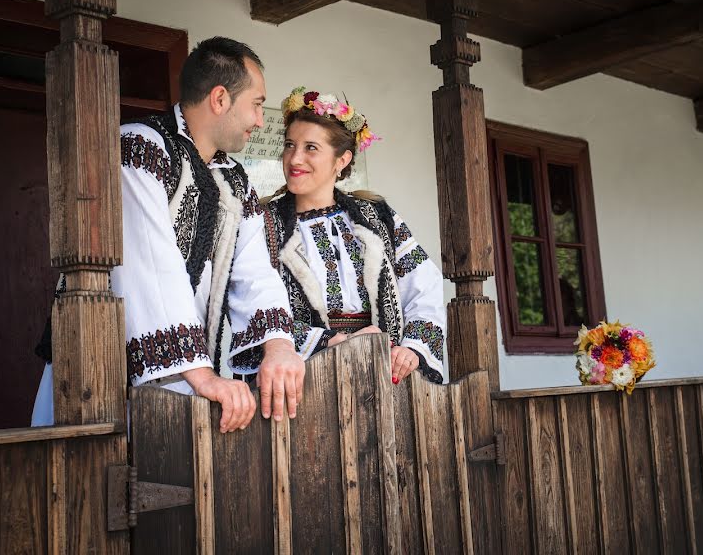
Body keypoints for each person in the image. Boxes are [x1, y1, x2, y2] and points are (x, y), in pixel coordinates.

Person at [32, 37, 304, 432]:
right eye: (257, 103)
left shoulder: (235, 181)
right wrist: (203, 376)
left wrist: (279, 347)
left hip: (187, 380)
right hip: (99, 371)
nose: (260, 120)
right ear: (220, 98)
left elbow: (255, 270)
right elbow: (148, 265)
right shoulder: (141, 147)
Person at [252, 87, 445, 384]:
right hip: (304, 377)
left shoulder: (378, 216)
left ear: (341, 160)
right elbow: (252, 307)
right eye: (290, 145)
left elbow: (424, 287)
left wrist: (412, 349)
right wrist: (332, 343)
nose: (295, 158)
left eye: (311, 148)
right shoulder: (262, 222)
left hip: (383, 371)